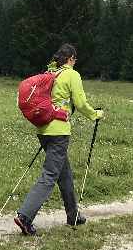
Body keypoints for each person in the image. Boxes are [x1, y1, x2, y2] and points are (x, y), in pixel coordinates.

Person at [14, 43, 103, 235]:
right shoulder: (72, 75)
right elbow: (80, 103)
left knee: (65, 174)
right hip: (59, 131)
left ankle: (74, 215)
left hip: (43, 129)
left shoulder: (51, 73)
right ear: (71, 58)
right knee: (50, 175)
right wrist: (96, 114)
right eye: (75, 59)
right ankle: (25, 216)